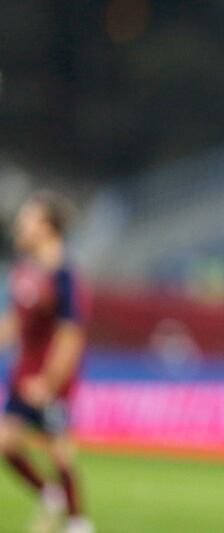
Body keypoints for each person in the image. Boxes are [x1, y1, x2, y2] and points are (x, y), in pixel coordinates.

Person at [0, 191, 93, 533]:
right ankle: (50, 495)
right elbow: (14, 319)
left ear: (46, 227)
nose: (20, 224)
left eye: (27, 218)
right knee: (6, 444)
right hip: (22, 372)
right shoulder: (23, 268)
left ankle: (78, 523)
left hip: (49, 378)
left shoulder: (64, 275)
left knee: (59, 451)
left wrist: (50, 381)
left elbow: (71, 334)